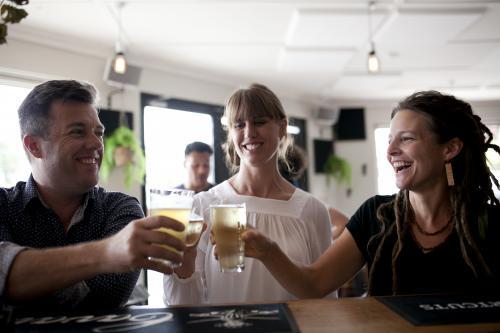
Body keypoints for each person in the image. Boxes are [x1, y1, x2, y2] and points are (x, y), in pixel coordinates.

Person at [241, 90, 500, 297]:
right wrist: (269, 252)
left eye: (406, 139)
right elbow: (314, 284)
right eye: (390, 140)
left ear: (450, 149)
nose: (391, 151)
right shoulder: (375, 215)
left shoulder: (490, 223)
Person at [0, 80, 185, 309]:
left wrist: (22, 282)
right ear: (34, 146)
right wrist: (108, 252)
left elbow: (106, 299)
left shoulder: (120, 208)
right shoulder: (3, 206)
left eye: (99, 132)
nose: (96, 143)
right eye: (77, 132)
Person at [163, 83, 334, 305]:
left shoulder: (312, 210)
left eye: (260, 122)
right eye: (239, 124)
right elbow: (183, 306)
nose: (249, 133)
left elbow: (327, 300)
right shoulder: (204, 205)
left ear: (282, 128)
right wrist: (182, 266)